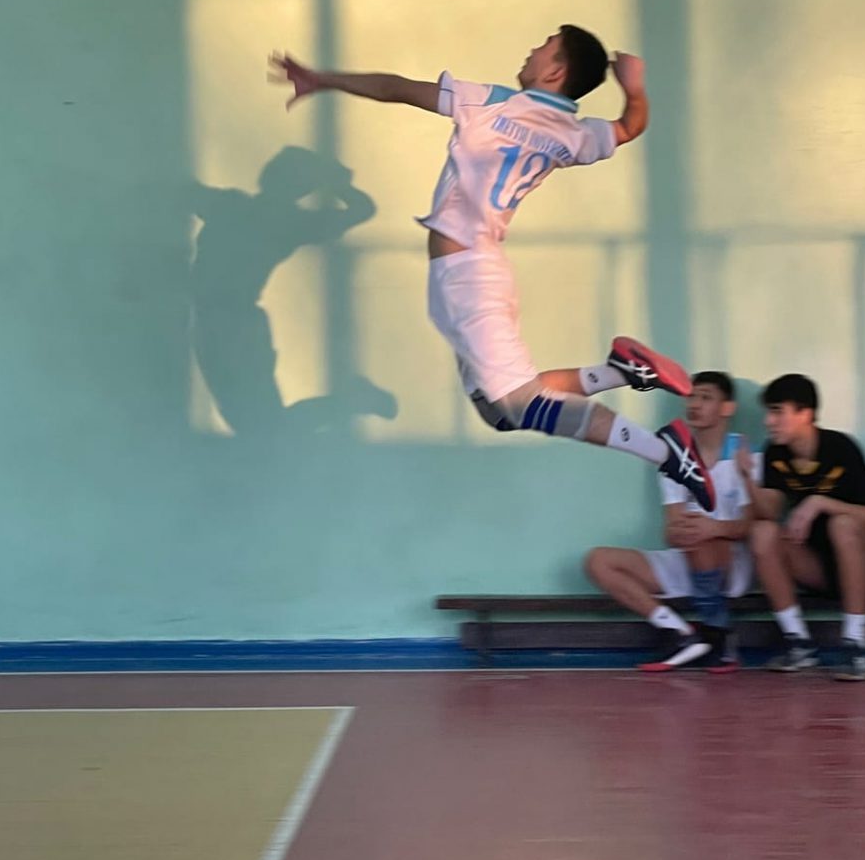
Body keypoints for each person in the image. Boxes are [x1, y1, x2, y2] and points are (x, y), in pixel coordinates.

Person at [269, 26, 714, 508]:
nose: (532, 49)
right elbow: (630, 126)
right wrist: (634, 86)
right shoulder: (575, 134)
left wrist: (324, 79)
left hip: (470, 277)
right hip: (468, 274)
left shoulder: (490, 102)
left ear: (555, 71)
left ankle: (665, 452)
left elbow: (396, 88)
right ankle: (622, 370)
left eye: (544, 46)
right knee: (497, 412)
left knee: (520, 404)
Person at [584, 371, 750, 671]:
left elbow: (751, 527)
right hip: (687, 555)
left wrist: (713, 528)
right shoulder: (674, 458)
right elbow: (671, 531)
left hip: (730, 564)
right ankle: (681, 633)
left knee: (700, 534)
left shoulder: (744, 453)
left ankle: (719, 632)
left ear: (727, 408)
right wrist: (680, 532)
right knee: (598, 561)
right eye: (691, 397)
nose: (694, 404)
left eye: (705, 397)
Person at [739, 373, 865, 681]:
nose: (768, 421)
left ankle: (855, 644)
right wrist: (747, 479)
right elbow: (769, 511)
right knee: (763, 532)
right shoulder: (776, 453)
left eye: (778, 412)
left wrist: (822, 503)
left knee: (843, 525)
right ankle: (799, 643)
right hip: (820, 568)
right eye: (768, 412)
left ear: (805, 413)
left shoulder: (840, 448)